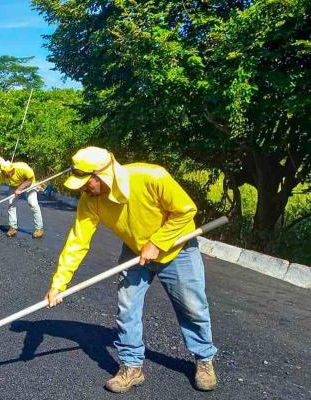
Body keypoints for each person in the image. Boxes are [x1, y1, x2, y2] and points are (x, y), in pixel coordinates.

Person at [45, 146, 218, 393]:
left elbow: (186, 211)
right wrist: (58, 283)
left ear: (102, 174)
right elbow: (77, 241)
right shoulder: (90, 200)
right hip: (135, 251)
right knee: (127, 306)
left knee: (192, 306)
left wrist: (157, 242)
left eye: (86, 182)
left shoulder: (151, 177)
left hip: (178, 248)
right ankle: (131, 366)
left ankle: (204, 360)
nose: (83, 188)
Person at [0, 160, 43, 238]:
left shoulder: (22, 168)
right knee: (11, 204)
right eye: (3, 172)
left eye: (6, 173)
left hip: (28, 183)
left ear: (11, 170)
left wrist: (20, 188)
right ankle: (13, 228)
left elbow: (30, 179)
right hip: (14, 185)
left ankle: (39, 229)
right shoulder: (1, 175)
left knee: (33, 204)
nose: (4, 175)